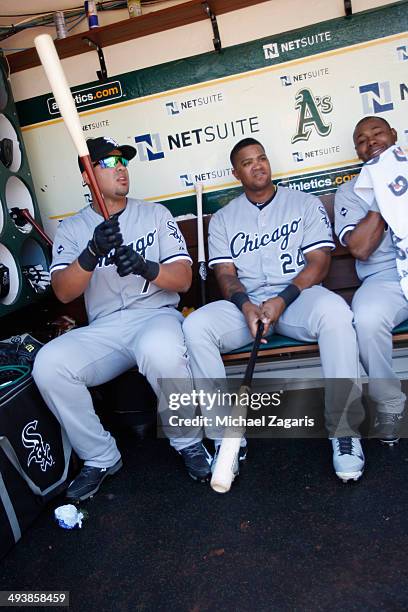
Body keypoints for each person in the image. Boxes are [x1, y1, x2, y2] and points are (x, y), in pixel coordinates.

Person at [32, 136, 212, 501]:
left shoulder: (155, 214)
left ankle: (188, 442)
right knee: (49, 364)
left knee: (160, 350)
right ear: (87, 175)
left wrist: (147, 268)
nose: (121, 168)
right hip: (105, 331)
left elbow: (184, 278)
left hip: (155, 315)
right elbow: (64, 291)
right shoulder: (72, 228)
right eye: (109, 163)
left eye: (123, 161)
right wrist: (91, 252)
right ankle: (99, 456)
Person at [183, 137, 366, 483]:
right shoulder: (223, 218)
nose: (258, 165)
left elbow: (319, 263)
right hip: (248, 308)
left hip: (298, 300)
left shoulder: (304, 203)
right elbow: (225, 275)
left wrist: (282, 300)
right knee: (197, 327)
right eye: (248, 162)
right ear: (236, 172)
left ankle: (344, 432)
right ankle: (226, 439)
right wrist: (247, 306)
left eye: (262, 158)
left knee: (336, 313)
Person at [334, 116, 408, 444]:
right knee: (365, 318)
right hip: (385, 281)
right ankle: (390, 404)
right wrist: (383, 189)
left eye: (377, 133)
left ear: (393, 135)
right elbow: (361, 249)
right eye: (362, 140)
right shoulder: (351, 192)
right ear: (357, 152)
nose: (371, 141)